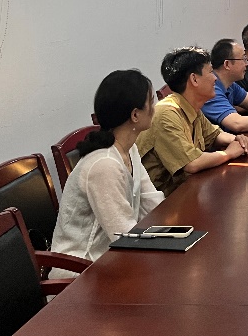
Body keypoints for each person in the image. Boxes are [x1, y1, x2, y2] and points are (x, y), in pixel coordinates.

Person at [50, 70, 165, 276]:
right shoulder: (104, 165)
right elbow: (123, 235)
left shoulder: (129, 149)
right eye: (150, 102)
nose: (154, 108)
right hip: (82, 271)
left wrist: (176, 231)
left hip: (112, 257)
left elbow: (151, 202)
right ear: (135, 115)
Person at [137, 47, 248, 196]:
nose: (215, 78)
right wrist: (228, 153)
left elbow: (214, 135)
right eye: (210, 72)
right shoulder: (166, 114)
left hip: (186, 191)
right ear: (194, 79)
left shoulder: (192, 106)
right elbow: (192, 163)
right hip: (162, 202)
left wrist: (237, 140)